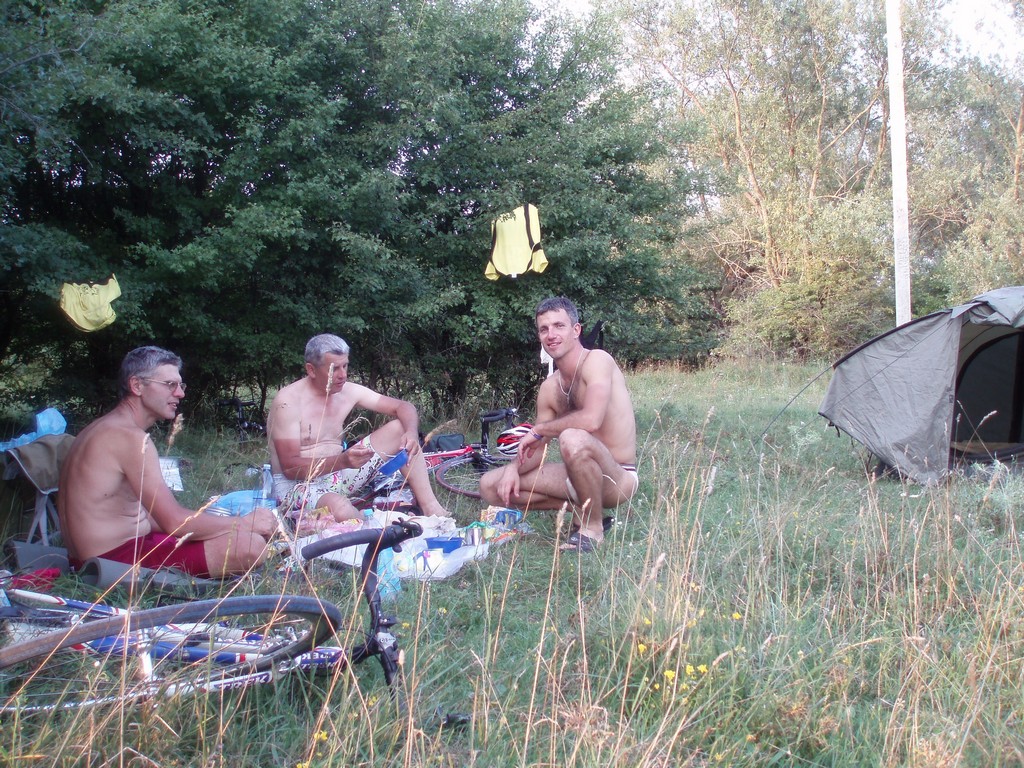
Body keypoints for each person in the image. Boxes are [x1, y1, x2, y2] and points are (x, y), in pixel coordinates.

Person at [58, 347, 277, 578]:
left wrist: (222, 525)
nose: (180, 394)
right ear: (137, 386)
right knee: (249, 545)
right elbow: (174, 521)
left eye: (180, 386)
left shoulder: (99, 428)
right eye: (170, 384)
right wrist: (243, 523)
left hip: (102, 553)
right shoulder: (129, 438)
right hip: (110, 563)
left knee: (227, 533)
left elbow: (146, 517)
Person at [480, 297, 638, 551]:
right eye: (544, 329)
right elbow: (538, 449)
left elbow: (591, 419)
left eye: (559, 326)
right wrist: (513, 468)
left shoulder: (597, 361)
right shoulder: (549, 388)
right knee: (490, 486)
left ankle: (592, 528)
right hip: (576, 474)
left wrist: (539, 430)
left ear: (576, 330)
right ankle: (579, 506)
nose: (551, 335)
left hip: (617, 477)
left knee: (572, 437)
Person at [268, 333, 448, 523]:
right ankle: (372, 524)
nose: (342, 375)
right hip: (296, 486)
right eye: (334, 369)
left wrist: (411, 433)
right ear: (311, 370)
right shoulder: (288, 402)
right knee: (341, 510)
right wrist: (343, 461)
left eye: (345, 366)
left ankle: (432, 508)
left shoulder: (347, 391)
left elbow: (403, 407)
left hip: (338, 474)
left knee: (400, 428)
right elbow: (290, 468)